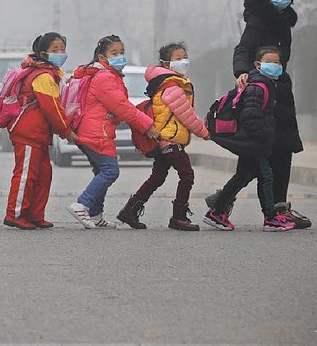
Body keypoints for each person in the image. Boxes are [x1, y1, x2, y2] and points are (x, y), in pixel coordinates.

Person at [207, 0, 310, 228]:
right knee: (255, 159)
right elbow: (242, 48)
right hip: (263, 92)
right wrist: (242, 72)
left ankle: (277, 208)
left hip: (280, 93)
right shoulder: (259, 20)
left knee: (283, 152)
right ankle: (226, 205)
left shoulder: (284, 21)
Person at [67, 35, 160, 229]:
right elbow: (123, 107)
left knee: (101, 170)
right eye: (114, 53)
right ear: (102, 58)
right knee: (110, 171)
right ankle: (82, 204)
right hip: (96, 132)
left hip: (95, 130)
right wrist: (147, 125)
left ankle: (95, 215)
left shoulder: (109, 76)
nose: (120, 57)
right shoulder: (105, 78)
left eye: (122, 52)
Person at [117, 42, 209, 231]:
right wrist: (204, 132)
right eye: (178, 58)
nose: (183, 61)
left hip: (163, 139)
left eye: (185, 57)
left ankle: (130, 210)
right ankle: (179, 217)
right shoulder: (172, 87)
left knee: (157, 176)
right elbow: (186, 115)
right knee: (187, 175)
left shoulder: (170, 82)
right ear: (166, 64)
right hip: (170, 139)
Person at [203, 47, 295, 232]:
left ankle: (217, 212)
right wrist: (261, 137)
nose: (274, 65)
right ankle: (270, 218)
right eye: (269, 61)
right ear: (258, 64)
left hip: (253, 142)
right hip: (253, 142)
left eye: (277, 62)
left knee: (242, 177)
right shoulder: (258, 87)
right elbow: (250, 116)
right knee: (266, 176)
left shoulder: (265, 84)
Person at [3, 33, 78, 230]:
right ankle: (15, 213)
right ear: (43, 53)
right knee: (26, 174)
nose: (61, 53)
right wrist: (67, 131)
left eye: (63, 49)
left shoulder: (49, 74)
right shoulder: (42, 76)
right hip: (28, 132)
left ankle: (35, 214)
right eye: (55, 50)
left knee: (44, 174)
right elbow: (52, 108)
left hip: (39, 134)